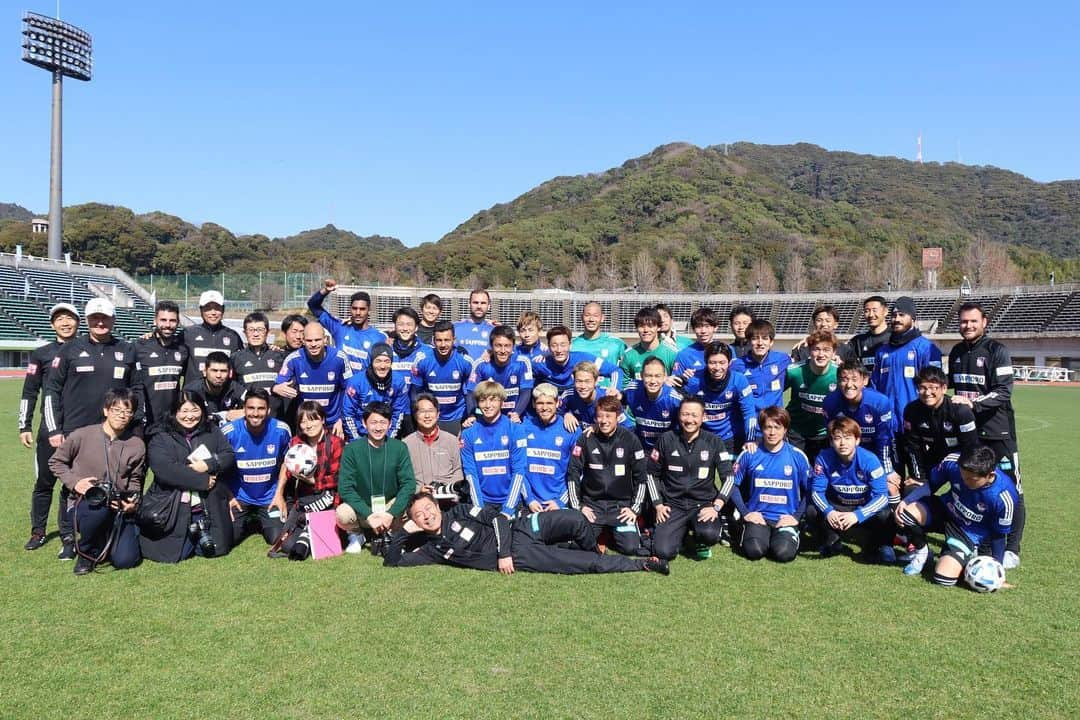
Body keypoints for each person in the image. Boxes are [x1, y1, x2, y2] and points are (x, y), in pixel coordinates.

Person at [383, 492, 669, 575]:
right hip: (522, 555)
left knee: (574, 518)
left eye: (428, 509)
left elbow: (497, 520)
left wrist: (502, 553)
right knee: (582, 566)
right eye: (420, 515)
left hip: (518, 530)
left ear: (436, 505)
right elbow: (393, 562)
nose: (427, 516)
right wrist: (402, 534)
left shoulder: (459, 512)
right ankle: (643, 564)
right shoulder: (434, 550)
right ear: (416, 522)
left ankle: (590, 549)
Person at [947, 302, 1025, 568]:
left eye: (972, 321)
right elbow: (952, 387)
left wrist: (975, 404)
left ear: (984, 322)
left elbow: (1003, 391)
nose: (967, 326)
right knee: (971, 485)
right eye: (963, 322)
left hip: (998, 432)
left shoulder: (996, 350)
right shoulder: (957, 352)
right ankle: (976, 538)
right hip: (969, 433)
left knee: (1012, 489)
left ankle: (1012, 548)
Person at [49, 388, 145, 576]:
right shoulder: (82, 435)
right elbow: (55, 462)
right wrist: (75, 482)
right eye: (117, 410)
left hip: (117, 506)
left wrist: (133, 501)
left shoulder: (137, 444)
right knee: (97, 511)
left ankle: (102, 538)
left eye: (127, 411)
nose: (122, 416)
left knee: (125, 560)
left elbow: (135, 479)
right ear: (106, 410)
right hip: (83, 503)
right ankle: (86, 552)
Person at [894, 446, 1018, 588]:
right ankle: (922, 554)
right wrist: (906, 501)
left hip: (967, 533)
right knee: (906, 513)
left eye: (972, 479)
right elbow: (931, 486)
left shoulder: (1003, 497)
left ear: (990, 475)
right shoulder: (953, 462)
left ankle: (965, 557)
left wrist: (997, 571)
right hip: (945, 510)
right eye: (963, 476)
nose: (965, 481)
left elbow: (998, 536)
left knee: (943, 579)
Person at [140, 391, 236, 563]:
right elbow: (164, 469)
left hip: (208, 505)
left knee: (216, 549)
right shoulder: (160, 435)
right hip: (173, 505)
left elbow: (228, 455)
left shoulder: (211, 429)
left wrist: (208, 464)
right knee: (176, 553)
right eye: (184, 411)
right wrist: (202, 480)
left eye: (195, 410)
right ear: (174, 411)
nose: (190, 416)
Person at [44, 298, 143, 454]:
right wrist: (54, 429)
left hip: (117, 431)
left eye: (105, 317)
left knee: (115, 478)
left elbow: (137, 389)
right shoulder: (69, 349)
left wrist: (136, 421)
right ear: (86, 320)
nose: (100, 323)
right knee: (77, 478)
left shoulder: (127, 349)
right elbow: (52, 390)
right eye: (95, 318)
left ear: (114, 319)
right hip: (76, 431)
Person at [20, 302, 80, 555]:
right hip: (49, 431)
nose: (65, 323)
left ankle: (68, 533)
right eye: (60, 319)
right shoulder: (41, 354)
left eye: (70, 318)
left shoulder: (84, 349)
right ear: (52, 324)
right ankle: (38, 531)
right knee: (45, 483)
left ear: (78, 323)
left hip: (77, 429)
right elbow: (29, 391)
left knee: (71, 485)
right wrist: (24, 424)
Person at [647, 397, 735, 561]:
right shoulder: (666, 439)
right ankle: (682, 535)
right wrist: (658, 505)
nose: (689, 420)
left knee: (709, 535)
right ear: (679, 416)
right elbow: (651, 475)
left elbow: (729, 478)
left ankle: (698, 537)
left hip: (702, 504)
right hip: (673, 504)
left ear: (703, 417)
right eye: (685, 414)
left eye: (694, 415)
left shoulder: (714, 441)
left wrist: (716, 507)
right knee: (663, 551)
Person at [566, 396, 650, 556]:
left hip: (620, 506)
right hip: (593, 504)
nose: (603, 421)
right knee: (580, 544)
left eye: (608, 416)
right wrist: (579, 506)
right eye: (599, 416)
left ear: (618, 417)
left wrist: (634, 509)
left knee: (630, 548)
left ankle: (612, 532)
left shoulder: (631, 440)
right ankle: (602, 533)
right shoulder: (586, 438)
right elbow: (573, 474)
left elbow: (641, 478)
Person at [730, 407, 811, 563]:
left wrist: (796, 517)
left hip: (785, 518)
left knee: (783, 553)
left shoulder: (797, 456)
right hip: (758, 517)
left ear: (785, 429)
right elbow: (732, 485)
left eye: (777, 427)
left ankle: (789, 533)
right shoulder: (750, 454)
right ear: (762, 429)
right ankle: (748, 530)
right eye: (768, 427)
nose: (772, 432)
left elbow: (812, 490)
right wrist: (746, 513)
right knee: (754, 551)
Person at [336, 401, 417, 554]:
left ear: (390, 423)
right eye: (373, 422)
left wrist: (390, 514)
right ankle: (356, 535)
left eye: (383, 422)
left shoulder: (399, 447)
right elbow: (345, 488)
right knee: (342, 514)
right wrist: (369, 514)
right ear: (364, 423)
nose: (378, 427)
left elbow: (408, 484)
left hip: (389, 508)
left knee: (409, 504)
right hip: (363, 510)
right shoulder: (351, 449)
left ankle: (393, 534)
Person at [807, 417, 892, 562]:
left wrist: (858, 515)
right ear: (831, 442)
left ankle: (878, 546)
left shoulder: (869, 460)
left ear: (857, 440)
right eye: (837, 438)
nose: (842, 443)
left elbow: (882, 497)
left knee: (885, 514)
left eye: (847, 438)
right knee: (811, 511)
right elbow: (816, 491)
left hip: (862, 506)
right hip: (837, 506)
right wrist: (829, 511)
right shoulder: (823, 458)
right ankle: (831, 540)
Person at [267, 401, 343, 560]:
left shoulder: (336, 443)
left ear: (322, 419)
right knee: (287, 546)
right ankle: (307, 530)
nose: (308, 425)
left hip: (328, 499)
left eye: (312, 419)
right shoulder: (296, 442)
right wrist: (278, 493)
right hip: (303, 500)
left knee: (312, 544)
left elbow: (340, 477)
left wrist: (314, 481)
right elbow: (287, 467)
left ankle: (309, 533)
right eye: (303, 421)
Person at [822, 361, 899, 507]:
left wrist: (887, 470)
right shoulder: (830, 402)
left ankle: (896, 523)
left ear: (865, 380)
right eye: (844, 379)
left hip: (875, 451)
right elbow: (831, 438)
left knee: (890, 487)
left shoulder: (880, 402)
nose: (849, 384)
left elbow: (884, 439)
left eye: (854, 379)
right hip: (845, 452)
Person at [222, 389, 293, 546]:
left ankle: (263, 517)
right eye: (251, 408)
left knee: (277, 538)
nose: (255, 413)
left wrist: (279, 494)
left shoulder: (281, 430)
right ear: (244, 409)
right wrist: (229, 496)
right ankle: (248, 520)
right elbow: (218, 468)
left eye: (261, 409)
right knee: (226, 539)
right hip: (238, 497)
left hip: (269, 497)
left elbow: (286, 462)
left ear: (268, 410)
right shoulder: (229, 432)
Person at [901, 366, 979, 488]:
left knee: (965, 491)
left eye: (933, 388)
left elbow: (971, 448)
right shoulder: (912, 410)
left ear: (944, 388)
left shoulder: (960, 411)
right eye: (922, 388)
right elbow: (913, 447)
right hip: (934, 459)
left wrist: (966, 473)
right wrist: (918, 477)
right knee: (912, 490)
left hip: (960, 461)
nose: (927, 393)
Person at [460, 381, 529, 517]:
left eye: (493, 400)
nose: (487, 405)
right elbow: (470, 473)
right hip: (482, 502)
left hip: (511, 502)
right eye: (482, 400)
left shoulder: (515, 429)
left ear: (502, 401)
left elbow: (519, 471)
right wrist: (479, 507)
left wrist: (508, 509)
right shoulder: (468, 433)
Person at [870, 295, 943, 425]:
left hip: (917, 420)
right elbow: (875, 386)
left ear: (913, 319)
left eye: (902, 315)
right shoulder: (882, 351)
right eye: (894, 315)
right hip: (888, 421)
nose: (896, 319)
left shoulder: (926, 348)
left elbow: (935, 386)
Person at [273, 320, 352, 438]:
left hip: (333, 424)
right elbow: (278, 385)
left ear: (325, 339)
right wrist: (276, 388)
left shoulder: (339, 358)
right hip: (306, 425)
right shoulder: (294, 359)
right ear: (303, 341)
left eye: (317, 340)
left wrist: (342, 419)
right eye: (309, 340)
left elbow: (350, 392)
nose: (313, 344)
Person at [683, 342, 757, 452]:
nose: (717, 368)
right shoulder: (694, 380)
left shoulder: (739, 380)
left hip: (730, 436)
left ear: (729, 362)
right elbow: (680, 408)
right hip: (702, 436)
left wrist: (750, 439)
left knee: (730, 469)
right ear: (706, 362)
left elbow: (749, 411)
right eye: (712, 363)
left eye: (722, 363)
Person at [520, 383, 579, 511]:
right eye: (540, 403)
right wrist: (529, 499)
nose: (544, 407)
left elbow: (579, 471)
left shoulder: (571, 429)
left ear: (557, 403)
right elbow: (518, 468)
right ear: (534, 404)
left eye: (549, 403)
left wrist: (561, 501)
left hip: (559, 503)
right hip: (529, 503)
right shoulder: (523, 428)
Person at [134, 300, 188, 436]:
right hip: (146, 422)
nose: (168, 325)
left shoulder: (182, 349)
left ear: (178, 322)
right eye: (163, 320)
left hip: (173, 421)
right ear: (155, 321)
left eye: (172, 320)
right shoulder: (139, 347)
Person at [410, 320, 474, 435]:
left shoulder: (465, 362)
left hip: (457, 417)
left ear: (454, 340)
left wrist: (471, 415)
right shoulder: (422, 360)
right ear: (433, 341)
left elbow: (470, 393)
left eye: (447, 340)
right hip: (430, 418)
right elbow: (415, 393)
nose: (443, 345)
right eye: (439, 340)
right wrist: (420, 416)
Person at [785, 330, 840, 462]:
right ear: (809, 351)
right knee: (796, 471)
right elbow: (774, 394)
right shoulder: (794, 371)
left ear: (834, 353)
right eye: (816, 349)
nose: (821, 354)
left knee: (820, 473)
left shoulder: (839, 373)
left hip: (823, 433)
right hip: (796, 431)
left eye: (826, 350)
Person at [307, 280, 386, 371]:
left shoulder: (379, 337)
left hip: (362, 384)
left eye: (362, 309)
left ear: (369, 310)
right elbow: (313, 306)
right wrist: (326, 290)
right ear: (350, 309)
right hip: (340, 384)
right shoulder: (339, 328)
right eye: (354, 308)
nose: (358, 313)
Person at [465, 325, 534, 423]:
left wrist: (516, 413)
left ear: (513, 346)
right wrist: (473, 415)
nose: (502, 351)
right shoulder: (481, 364)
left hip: (513, 418)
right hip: (487, 419)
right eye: (498, 345)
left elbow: (526, 392)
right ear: (491, 346)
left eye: (507, 346)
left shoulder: (522, 363)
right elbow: (471, 393)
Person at [342, 342, 410, 441]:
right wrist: (357, 441)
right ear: (371, 362)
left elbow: (398, 413)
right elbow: (348, 413)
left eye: (387, 361)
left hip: (386, 435)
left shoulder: (398, 381)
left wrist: (389, 439)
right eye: (378, 361)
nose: (382, 366)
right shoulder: (356, 382)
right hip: (361, 434)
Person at [533, 325, 622, 394]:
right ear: (548, 346)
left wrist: (614, 389)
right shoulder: (540, 364)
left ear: (570, 345)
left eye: (563, 345)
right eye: (554, 345)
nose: (559, 350)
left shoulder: (583, 359)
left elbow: (615, 370)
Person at [402, 393, 464, 492]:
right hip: (419, 501)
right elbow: (403, 478)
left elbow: (457, 470)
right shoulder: (405, 444)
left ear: (438, 414)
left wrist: (446, 490)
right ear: (415, 415)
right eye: (422, 411)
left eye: (431, 411)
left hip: (449, 499)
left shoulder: (451, 440)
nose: (427, 416)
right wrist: (418, 490)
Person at [732, 318, 790, 421]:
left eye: (764, 338)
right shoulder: (737, 365)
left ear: (771, 342)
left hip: (775, 423)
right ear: (749, 342)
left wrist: (807, 341)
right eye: (755, 338)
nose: (760, 343)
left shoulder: (783, 359)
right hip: (750, 424)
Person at [231, 311, 286, 417]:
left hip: (275, 418)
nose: (255, 334)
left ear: (268, 332)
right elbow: (231, 387)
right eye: (251, 330)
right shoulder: (236, 358)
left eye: (260, 330)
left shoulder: (279, 356)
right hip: (248, 418)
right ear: (245, 332)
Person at [182, 290, 243, 386]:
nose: (213, 312)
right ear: (201, 310)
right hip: (193, 397)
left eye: (217, 308)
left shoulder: (233, 337)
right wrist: (152, 337)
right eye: (208, 308)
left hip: (222, 397)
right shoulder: (187, 334)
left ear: (223, 310)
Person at [622, 356, 681, 452]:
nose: (653, 381)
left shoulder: (674, 400)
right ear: (641, 375)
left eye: (657, 376)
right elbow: (613, 404)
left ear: (665, 377)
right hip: (641, 448)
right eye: (648, 376)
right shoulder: (633, 390)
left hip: (667, 450)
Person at [559, 361, 632, 433]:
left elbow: (627, 427)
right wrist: (565, 414)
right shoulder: (569, 395)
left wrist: (602, 426)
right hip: (581, 439)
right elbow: (555, 411)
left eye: (587, 381)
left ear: (596, 381)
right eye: (579, 381)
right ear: (573, 380)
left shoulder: (607, 398)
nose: (583, 386)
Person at [182, 351, 246, 425]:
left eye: (223, 371)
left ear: (230, 373)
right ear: (204, 372)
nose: (218, 375)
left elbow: (256, 403)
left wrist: (243, 412)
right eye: (214, 371)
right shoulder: (191, 391)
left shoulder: (234, 387)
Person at [620, 306, 676, 384]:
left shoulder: (672, 353)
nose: (646, 330)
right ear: (636, 328)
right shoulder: (628, 355)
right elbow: (623, 386)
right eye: (641, 326)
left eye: (650, 326)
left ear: (658, 327)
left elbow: (677, 383)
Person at [571, 301, 627, 375]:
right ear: (582, 317)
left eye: (595, 315)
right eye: (587, 315)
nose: (591, 319)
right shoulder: (572, 345)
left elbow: (628, 369)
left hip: (609, 386)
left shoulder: (616, 343)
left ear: (602, 318)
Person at [790, 305, 856, 364]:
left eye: (828, 321)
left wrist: (841, 365)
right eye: (819, 320)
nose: (823, 324)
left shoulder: (846, 349)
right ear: (814, 323)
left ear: (836, 325)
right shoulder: (801, 348)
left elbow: (853, 372)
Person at [672, 307, 722, 381]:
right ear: (693, 329)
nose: (703, 331)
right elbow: (675, 383)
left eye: (707, 326)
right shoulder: (684, 355)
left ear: (715, 327)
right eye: (698, 327)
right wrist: (683, 378)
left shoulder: (726, 350)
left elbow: (734, 377)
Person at [454, 288, 498, 362]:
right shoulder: (455, 327)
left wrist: (492, 352)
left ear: (489, 306)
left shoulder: (495, 330)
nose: (479, 306)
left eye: (483, 303)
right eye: (475, 302)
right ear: (469, 305)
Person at [848, 295, 890, 371]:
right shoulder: (858, 341)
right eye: (867, 311)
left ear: (885, 311)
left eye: (874, 310)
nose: (871, 315)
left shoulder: (895, 337)